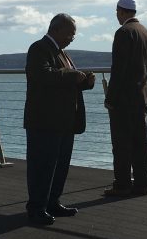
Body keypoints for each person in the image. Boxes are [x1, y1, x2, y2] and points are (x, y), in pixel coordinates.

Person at [23, 13, 95, 225]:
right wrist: (74, 75)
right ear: (57, 29)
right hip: (44, 121)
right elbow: (42, 75)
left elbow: (62, 79)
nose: (73, 37)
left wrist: (85, 81)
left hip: (63, 121)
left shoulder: (62, 53)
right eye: (71, 32)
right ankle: (36, 207)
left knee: (60, 165)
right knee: (42, 166)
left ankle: (52, 201)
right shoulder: (39, 48)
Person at [103, 0, 147, 197]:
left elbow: (118, 70)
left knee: (121, 143)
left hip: (124, 99)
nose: (117, 16)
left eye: (117, 12)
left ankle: (122, 184)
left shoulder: (123, 32)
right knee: (140, 143)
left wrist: (110, 98)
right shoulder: (146, 32)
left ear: (121, 11)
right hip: (141, 95)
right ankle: (142, 184)